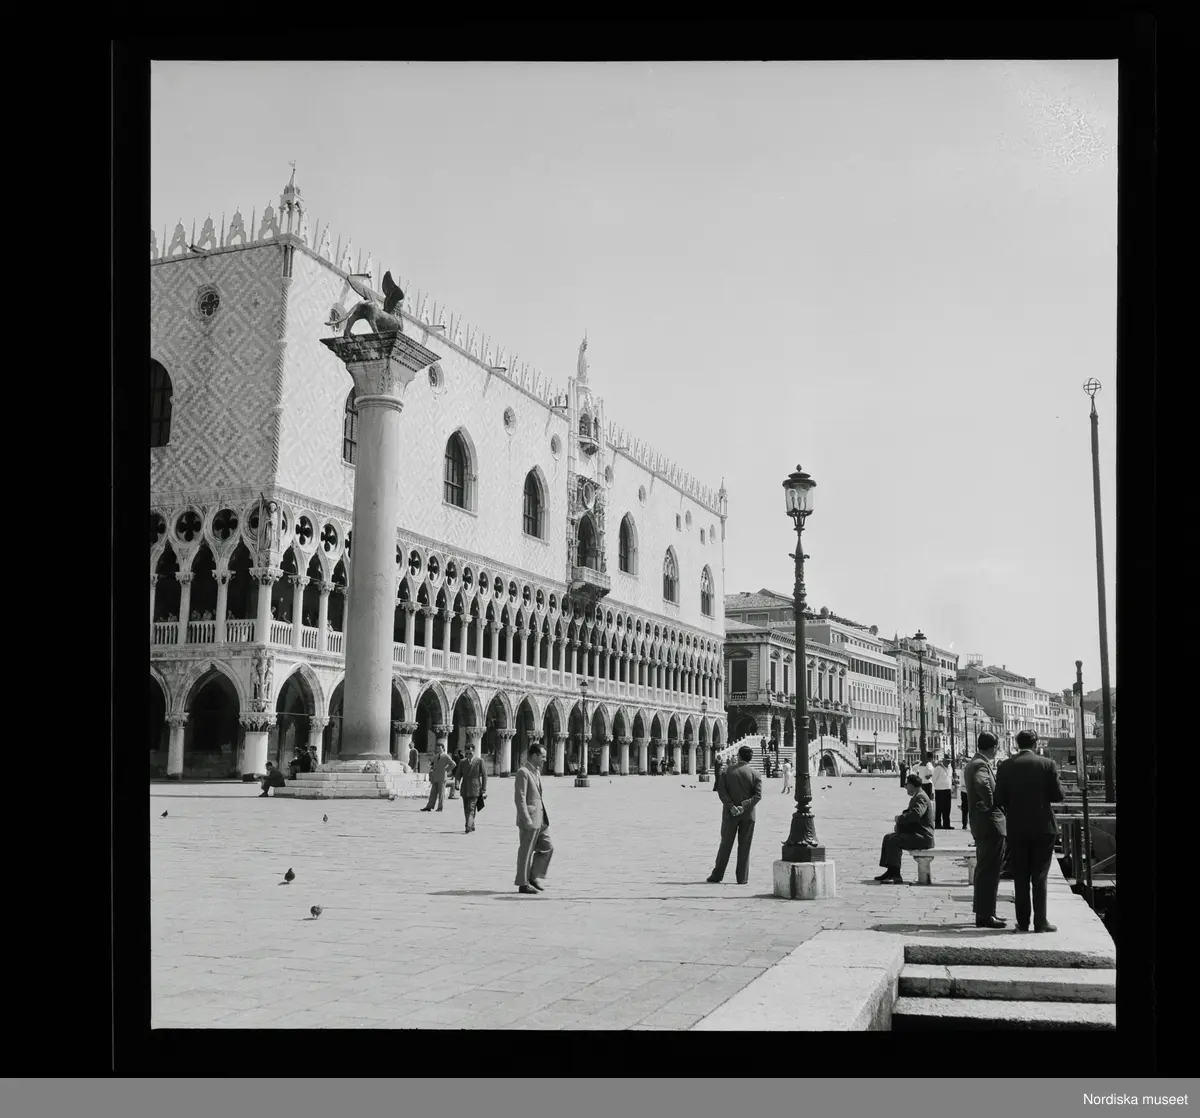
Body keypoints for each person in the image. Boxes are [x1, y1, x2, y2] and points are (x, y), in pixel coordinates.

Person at [994, 730, 1065, 933]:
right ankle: (1040, 922)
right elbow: (1058, 796)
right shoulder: (1047, 764)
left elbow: (998, 799)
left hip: (1017, 827)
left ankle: (1023, 921)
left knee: (1021, 876)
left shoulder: (1005, 766)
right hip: (1043, 826)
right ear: (1035, 744)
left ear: (1017, 744)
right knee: (1040, 875)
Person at [965, 732, 1007, 928]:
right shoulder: (980, 765)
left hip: (983, 823)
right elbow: (982, 783)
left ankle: (986, 911)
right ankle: (985, 914)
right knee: (989, 870)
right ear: (994, 747)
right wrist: (990, 803)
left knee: (986, 869)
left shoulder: (974, 763)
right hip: (990, 823)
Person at [707, 744, 763, 885]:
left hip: (730, 814)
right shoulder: (755, 774)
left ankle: (717, 875)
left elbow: (722, 791)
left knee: (725, 845)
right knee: (745, 846)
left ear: (738, 756)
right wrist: (744, 806)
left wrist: (731, 806)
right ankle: (742, 877)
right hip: (748, 815)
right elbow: (757, 796)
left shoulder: (727, 771)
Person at [875, 773, 935, 883]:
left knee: (894, 840)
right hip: (917, 834)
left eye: (906, 785)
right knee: (888, 837)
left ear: (911, 785)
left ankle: (896, 874)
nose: (905, 787)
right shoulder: (917, 796)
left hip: (923, 837)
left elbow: (916, 814)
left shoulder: (921, 797)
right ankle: (890, 870)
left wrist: (899, 819)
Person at [513, 741, 553, 893]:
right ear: (534, 756)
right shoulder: (523, 772)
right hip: (529, 819)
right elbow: (520, 798)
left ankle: (533, 875)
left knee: (548, 847)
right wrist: (526, 819)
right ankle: (523, 884)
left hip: (540, 818)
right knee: (526, 851)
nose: (545, 760)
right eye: (543, 757)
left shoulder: (536, 772)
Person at [455, 741, 488, 834]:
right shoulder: (462, 762)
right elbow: (458, 774)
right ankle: (471, 824)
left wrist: (484, 788)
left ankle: (468, 825)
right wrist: (457, 783)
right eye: (467, 753)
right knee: (466, 808)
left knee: (471, 808)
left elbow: (484, 775)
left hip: (475, 788)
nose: (469, 755)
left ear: (474, 751)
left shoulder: (479, 761)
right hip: (465, 788)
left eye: (470, 753)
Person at [421, 742, 454, 812]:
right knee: (433, 793)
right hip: (435, 776)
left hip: (442, 777)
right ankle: (429, 806)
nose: (438, 750)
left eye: (440, 748)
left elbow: (453, 764)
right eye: (437, 748)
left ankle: (440, 807)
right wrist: (431, 774)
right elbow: (433, 766)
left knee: (441, 794)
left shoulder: (446, 756)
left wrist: (446, 770)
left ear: (443, 749)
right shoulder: (435, 757)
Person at [932, 756, 953, 829]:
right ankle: (938, 824)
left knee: (947, 808)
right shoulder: (938, 768)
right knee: (939, 808)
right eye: (947, 760)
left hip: (948, 789)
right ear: (943, 760)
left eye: (949, 761)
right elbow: (934, 778)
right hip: (939, 790)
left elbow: (950, 778)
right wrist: (936, 787)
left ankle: (946, 824)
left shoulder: (950, 768)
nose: (948, 762)